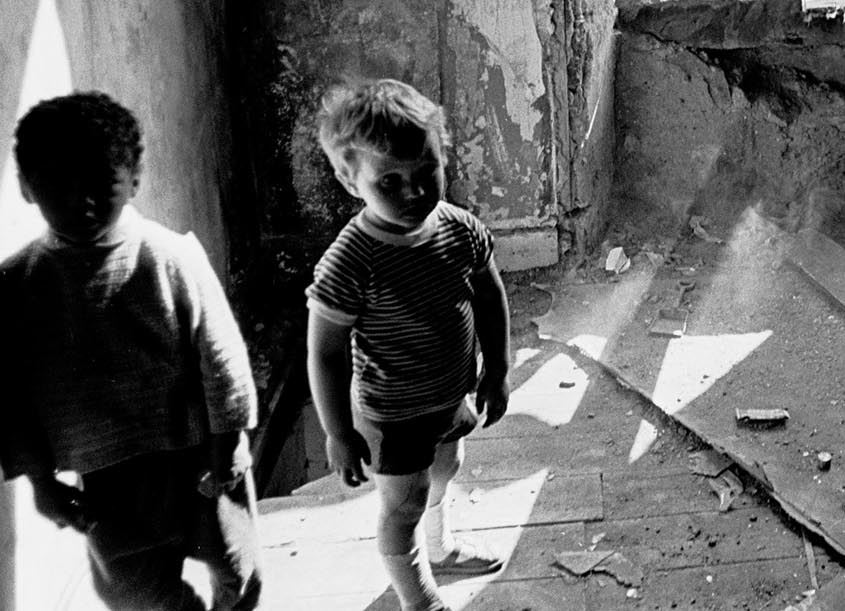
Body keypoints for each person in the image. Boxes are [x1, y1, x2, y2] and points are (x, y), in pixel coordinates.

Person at [0, 91, 263, 610]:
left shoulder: (169, 256)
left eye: (100, 183)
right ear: (27, 188)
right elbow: (9, 398)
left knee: (238, 571)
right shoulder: (16, 284)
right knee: (135, 591)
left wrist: (229, 442)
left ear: (135, 179)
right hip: (106, 480)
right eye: (57, 185)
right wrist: (39, 482)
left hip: (198, 460)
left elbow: (222, 356)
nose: (82, 201)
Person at [306, 78, 512, 611]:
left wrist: (498, 371)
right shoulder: (351, 260)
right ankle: (418, 599)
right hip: (391, 417)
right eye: (389, 183)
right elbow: (326, 353)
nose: (414, 193)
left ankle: (439, 548)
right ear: (351, 181)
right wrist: (338, 433)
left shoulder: (461, 229)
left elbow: (490, 298)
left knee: (446, 471)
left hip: (450, 396)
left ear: (444, 157)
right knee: (403, 506)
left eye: (426, 174)